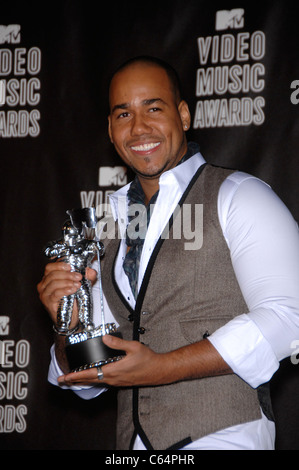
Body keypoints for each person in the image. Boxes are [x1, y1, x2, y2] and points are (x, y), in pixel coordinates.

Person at [37, 56, 299, 450]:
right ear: (110, 129)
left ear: (183, 115)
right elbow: (86, 378)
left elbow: (289, 316)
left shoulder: (240, 195)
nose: (139, 127)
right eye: (123, 113)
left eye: (153, 108)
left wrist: (163, 367)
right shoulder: (108, 224)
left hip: (224, 437)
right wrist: (67, 323)